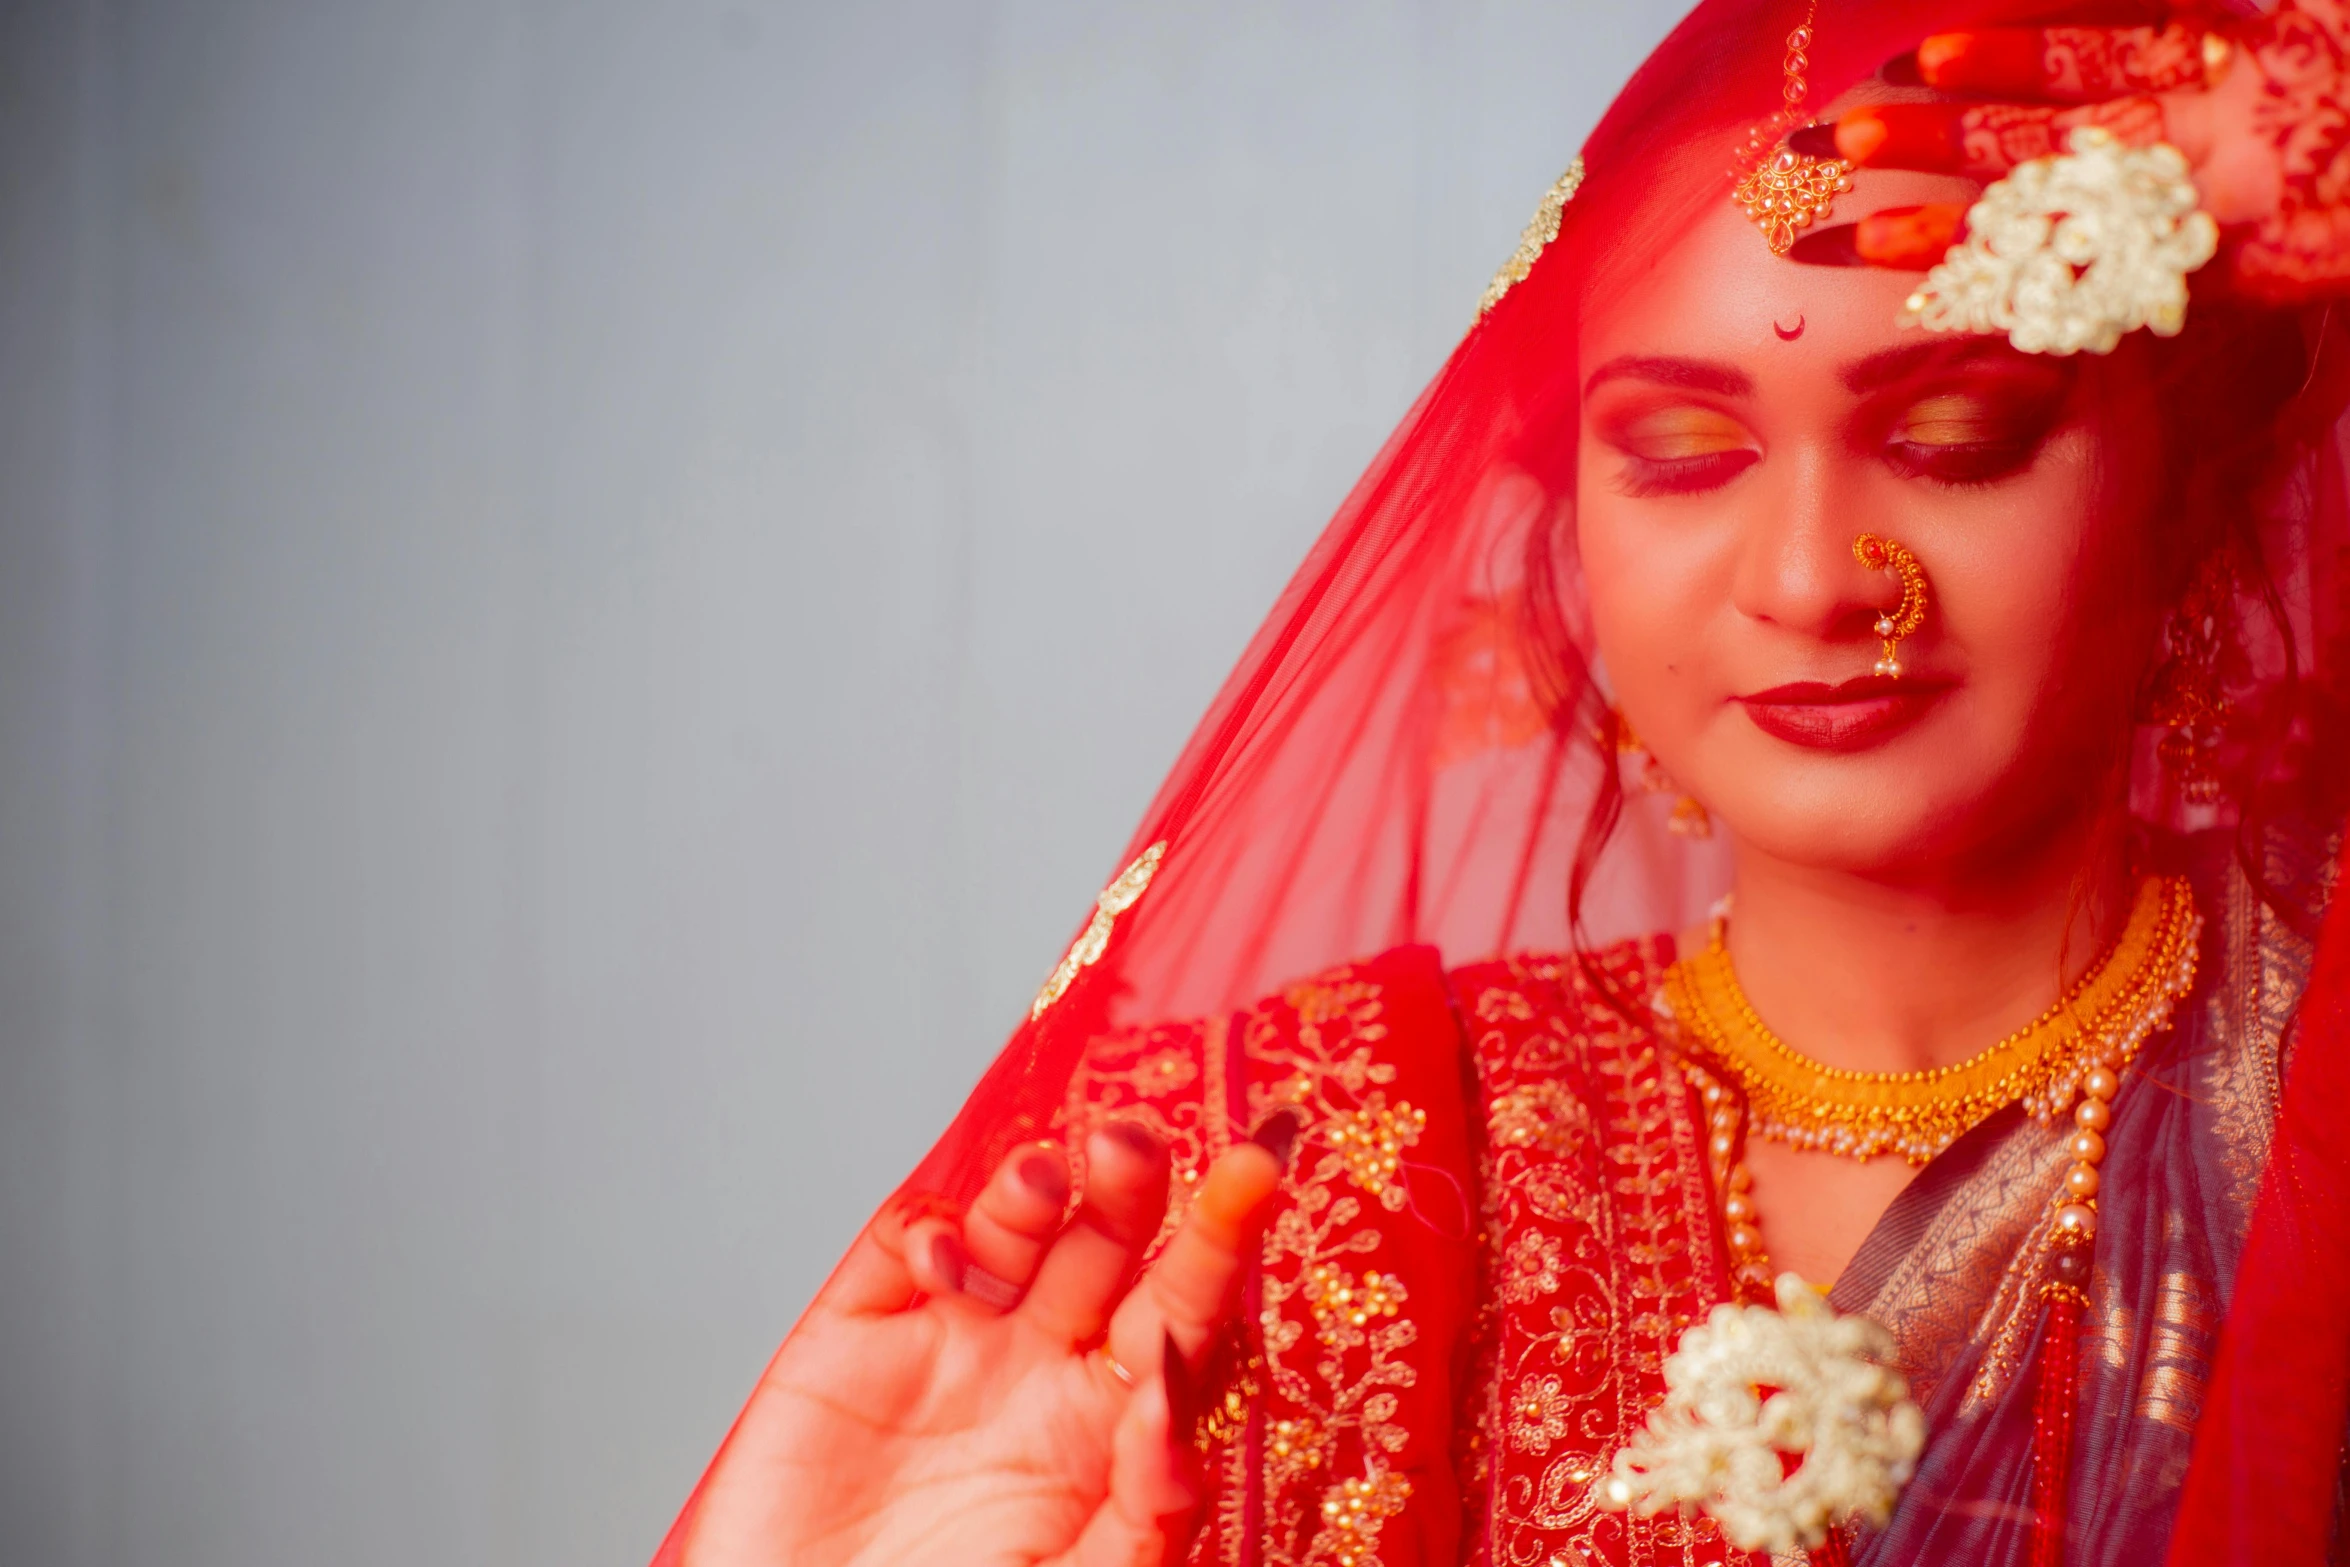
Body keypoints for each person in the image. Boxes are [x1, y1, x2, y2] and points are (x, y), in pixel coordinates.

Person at [653, 1, 2350, 1562]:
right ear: (1580, 531)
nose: (1812, 578)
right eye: (1681, 458)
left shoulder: (2311, 1092)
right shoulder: (1247, 1190)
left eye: (1953, 436)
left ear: (2185, 488)